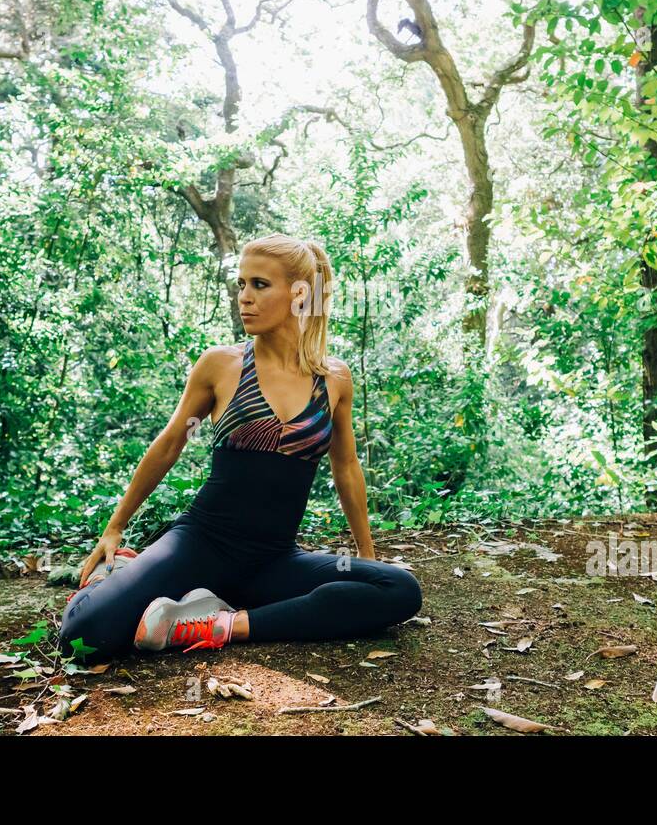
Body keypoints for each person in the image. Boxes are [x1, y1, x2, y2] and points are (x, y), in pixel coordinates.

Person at [57, 234, 422, 659]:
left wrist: (365, 555)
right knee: (83, 637)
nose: (244, 298)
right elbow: (172, 442)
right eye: (241, 284)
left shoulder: (334, 379)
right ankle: (116, 574)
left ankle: (221, 623)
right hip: (199, 545)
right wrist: (114, 527)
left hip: (273, 561)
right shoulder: (222, 365)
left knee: (397, 588)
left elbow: (346, 467)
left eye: (260, 285)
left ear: (300, 294)